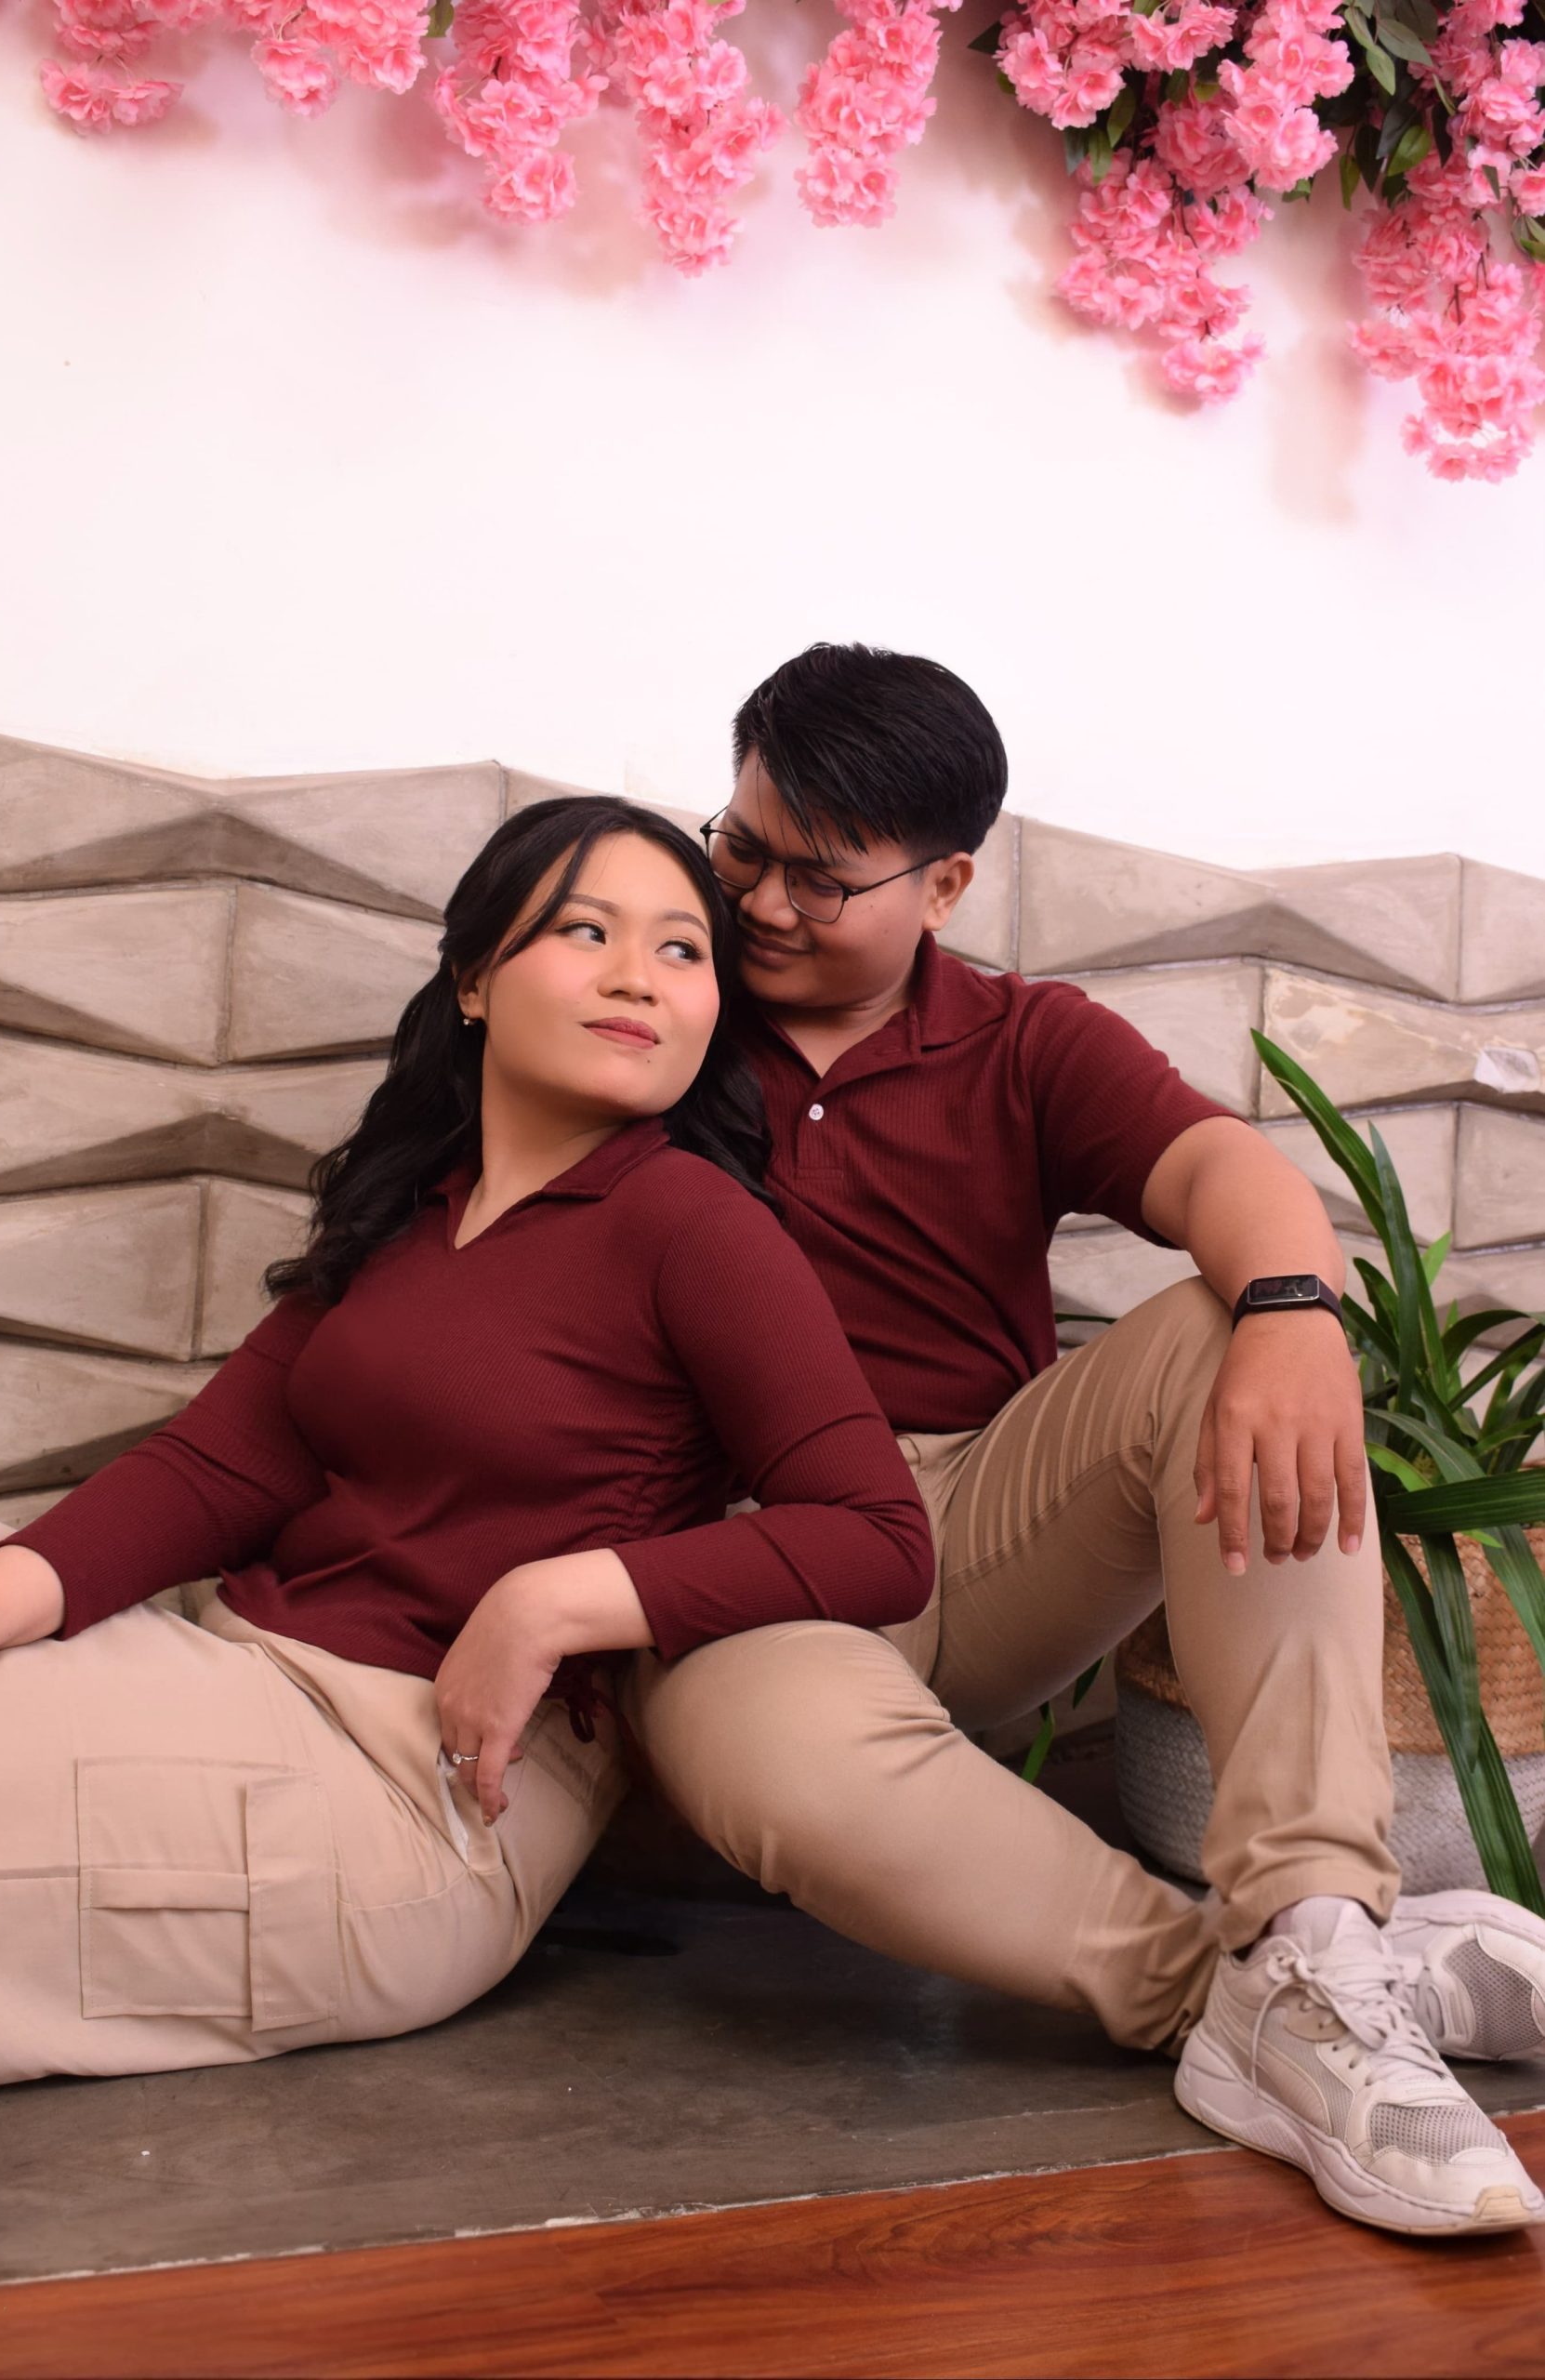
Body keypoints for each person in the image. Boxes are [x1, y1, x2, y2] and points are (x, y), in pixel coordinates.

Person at [616, 642, 1545, 2240]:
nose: (759, 903)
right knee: (776, 1766)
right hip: (740, 1564)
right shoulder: (654, 1000)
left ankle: (1313, 1912)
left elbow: (1224, 1177)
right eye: (741, 846)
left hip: (969, 1518)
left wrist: (1292, 1315)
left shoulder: (1020, 1037)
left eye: (819, 880)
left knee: (1233, 1328)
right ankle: (1286, 1999)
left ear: (945, 884)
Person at [0, 795, 932, 2094]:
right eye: (585, 931)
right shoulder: (412, 1210)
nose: (637, 977)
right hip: (237, 1668)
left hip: (397, 1794)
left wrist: (552, 1601)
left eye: (681, 949)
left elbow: (878, 1537)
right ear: (473, 980)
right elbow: (214, 1468)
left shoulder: (696, 1226)